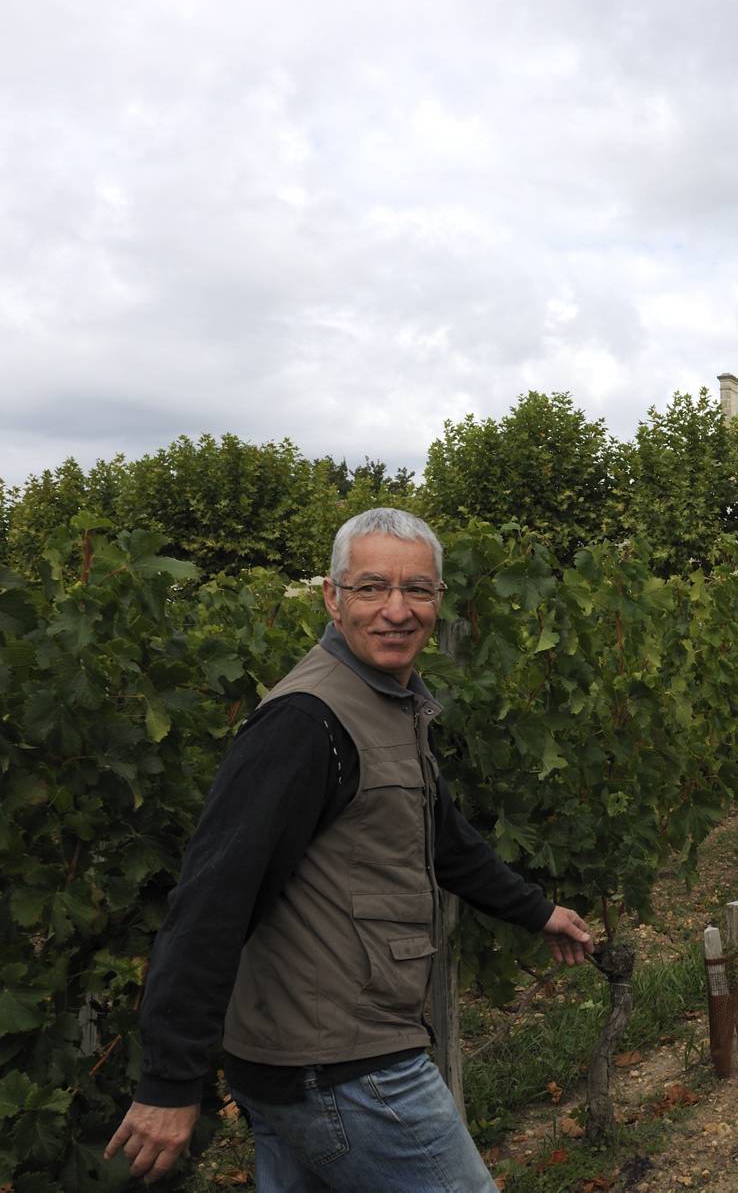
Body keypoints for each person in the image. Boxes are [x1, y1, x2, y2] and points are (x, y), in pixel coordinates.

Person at [107, 509, 597, 1189]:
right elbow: (213, 897)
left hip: (312, 1060)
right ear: (333, 599)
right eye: (371, 588)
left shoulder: (387, 703)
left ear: (439, 601)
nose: (397, 609)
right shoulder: (306, 721)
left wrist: (538, 911)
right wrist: (169, 1081)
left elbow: (443, 838)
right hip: (342, 1066)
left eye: (417, 590)